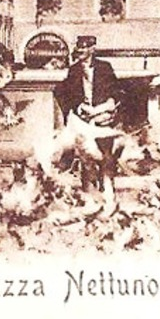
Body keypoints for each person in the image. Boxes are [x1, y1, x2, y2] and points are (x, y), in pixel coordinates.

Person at [53, 37, 124, 200]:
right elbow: (68, 94)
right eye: (78, 49)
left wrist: (106, 108)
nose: (80, 52)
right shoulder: (74, 70)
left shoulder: (104, 68)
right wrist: (79, 107)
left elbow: (115, 91)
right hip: (83, 118)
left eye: (84, 49)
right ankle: (88, 191)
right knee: (85, 153)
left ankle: (107, 187)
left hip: (102, 116)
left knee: (106, 152)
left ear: (92, 49)